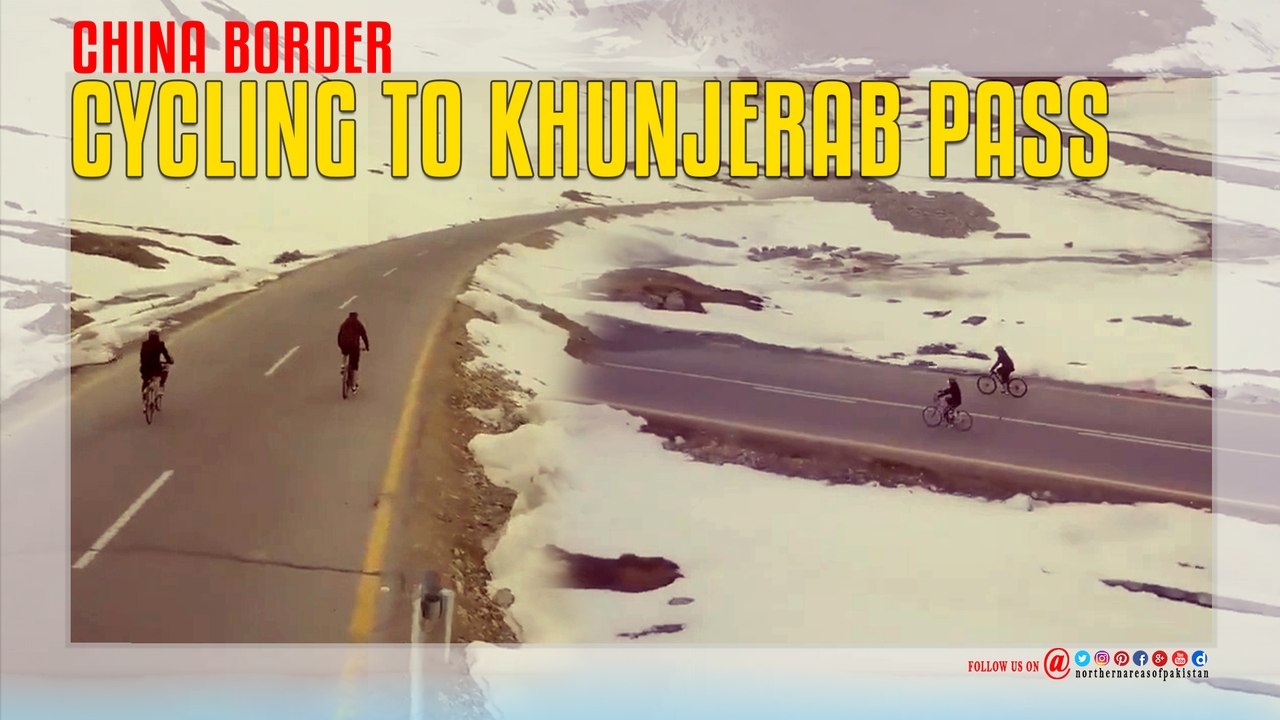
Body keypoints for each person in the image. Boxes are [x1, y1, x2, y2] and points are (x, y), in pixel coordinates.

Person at [337, 311, 371, 390]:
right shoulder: (358, 324)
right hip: (354, 346)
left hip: (344, 343)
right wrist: (367, 346)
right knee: (355, 365)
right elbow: (364, 335)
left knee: (344, 352)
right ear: (356, 316)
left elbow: (339, 335)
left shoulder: (344, 323)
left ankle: (343, 365)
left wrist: (340, 345)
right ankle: (354, 385)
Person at [139, 329, 174, 398]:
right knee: (165, 368)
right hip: (156, 367)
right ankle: (161, 385)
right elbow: (166, 355)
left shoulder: (145, 344)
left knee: (146, 379)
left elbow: (142, 356)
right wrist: (170, 361)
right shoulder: (160, 344)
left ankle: (144, 393)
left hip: (145, 368)